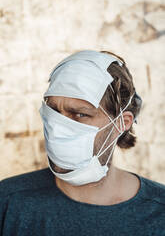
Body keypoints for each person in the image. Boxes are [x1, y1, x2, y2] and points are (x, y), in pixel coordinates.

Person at [0, 50, 165, 236]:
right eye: (53, 111)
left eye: (80, 114)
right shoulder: (9, 201)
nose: (58, 127)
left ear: (122, 123)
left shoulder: (159, 213)